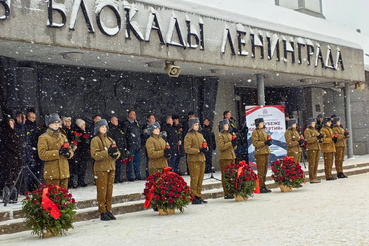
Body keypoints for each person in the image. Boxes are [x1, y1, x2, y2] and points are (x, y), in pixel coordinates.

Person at [91, 119, 120, 221]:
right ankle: (102, 210)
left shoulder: (110, 140)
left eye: (105, 127)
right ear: (98, 128)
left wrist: (115, 154)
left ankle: (108, 209)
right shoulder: (95, 140)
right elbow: (95, 155)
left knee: (109, 190)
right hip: (101, 168)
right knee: (102, 190)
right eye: (102, 127)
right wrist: (107, 153)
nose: (104, 129)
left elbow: (117, 152)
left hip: (110, 167)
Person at [38, 113, 74, 189]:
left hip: (64, 171)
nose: (56, 125)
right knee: (53, 198)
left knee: (64, 198)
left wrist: (69, 154)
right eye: (54, 123)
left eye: (58, 122)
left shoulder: (62, 136)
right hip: (52, 173)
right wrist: (58, 153)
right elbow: (42, 154)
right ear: (49, 124)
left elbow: (70, 149)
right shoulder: (43, 137)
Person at [184, 117, 208, 204]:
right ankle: (193, 196)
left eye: (198, 124)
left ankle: (198, 195)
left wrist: (205, 148)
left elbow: (205, 144)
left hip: (201, 159)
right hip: (193, 160)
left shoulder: (200, 135)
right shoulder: (188, 136)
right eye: (195, 124)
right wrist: (198, 150)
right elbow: (187, 149)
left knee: (200, 178)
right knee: (195, 178)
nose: (197, 126)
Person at [216, 119, 237, 199]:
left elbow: (233, 147)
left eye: (228, 125)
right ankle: (227, 192)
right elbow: (221, 147)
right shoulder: (220, 135)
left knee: (232, 175)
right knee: (226, 175)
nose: (227, 127)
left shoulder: (229, 134)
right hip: (225, 157)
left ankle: (231, 191)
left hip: (232, 156)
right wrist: (230, 143)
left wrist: (235, 143)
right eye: (225, 125)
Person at [0, 118, 22, 193]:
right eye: (11, 123)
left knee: (15, 174)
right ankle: (9, 190)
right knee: (9, 175)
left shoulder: (15, 133)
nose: (12, 125)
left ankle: (14, 190)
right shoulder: (5, 134)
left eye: (13, 123)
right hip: (8, 158)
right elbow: (10, 145)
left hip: (15, 158)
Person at [25, 111, 44, 190]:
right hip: (32, 151)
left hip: (37, 150)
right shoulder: (27, 127)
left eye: (35, 118)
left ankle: (35, 186)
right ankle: (31, 187)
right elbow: (29, 140)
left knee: (37, 170)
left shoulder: (36, 127)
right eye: (32, 118)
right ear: (28, 118)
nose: (34, 119)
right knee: (31, 171)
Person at [251, 118, 272, 193]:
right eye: (261, 123)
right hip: (260, 153)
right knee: (261, 170)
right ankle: (260, 186)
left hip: (265, 151)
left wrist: (268, 141)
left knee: (265, 170)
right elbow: (255, 143)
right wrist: (264, 143)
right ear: (258, 124)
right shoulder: (255, 132)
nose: (263, 124)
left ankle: (263, 185)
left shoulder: (263, 131)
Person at [123, 110, 142, 181]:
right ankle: (130, 176)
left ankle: (138, 175)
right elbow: (124, 135)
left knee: (137, 162)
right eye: (133, 114)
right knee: (130, 162)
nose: (135, 115)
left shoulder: (136, 123)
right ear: (129, 115)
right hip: (130, 145)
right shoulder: (126, 123)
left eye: (135, 114)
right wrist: (126, 146)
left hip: (137, 145)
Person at [109, 116, 127, 183]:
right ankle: (114, 178)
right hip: (115, 149)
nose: (117, 121)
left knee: (119, 164)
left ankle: (118, 177)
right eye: (115, 120)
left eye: (117, 120)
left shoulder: (118, 129)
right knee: (114, 165)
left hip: (120, 148)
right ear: (111, 121)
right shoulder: (110, 129)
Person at [304, 118, 323, 183]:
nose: (314, 124)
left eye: (314, 123)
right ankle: (311, 177)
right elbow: (309, 140)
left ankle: (315, 176)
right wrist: (316, 138)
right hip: (311, 148)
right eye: (313, 123)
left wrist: (320, 138)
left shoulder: (315, 130)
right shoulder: (307, 130)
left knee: (316, 163)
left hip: (317, 148)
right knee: (312, 163)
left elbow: (317, 138)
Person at [61, 116, 77, 188]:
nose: (69, 123)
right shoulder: (63, 130)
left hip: (71, 150)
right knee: (69, 167)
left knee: (73, 167)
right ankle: (69, 182)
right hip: (66, 149)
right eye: (67, 121)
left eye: (69, 121)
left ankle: (72, 181)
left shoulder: (72, 130)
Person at [74, 119, 90, 187]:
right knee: (79, 168)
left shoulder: (85, 131)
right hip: (79, 152)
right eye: (82, 125)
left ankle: (82, 180)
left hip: (84, 152)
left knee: (83, 168)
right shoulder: (77, 132)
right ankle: (79, 181)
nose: (84, 126)